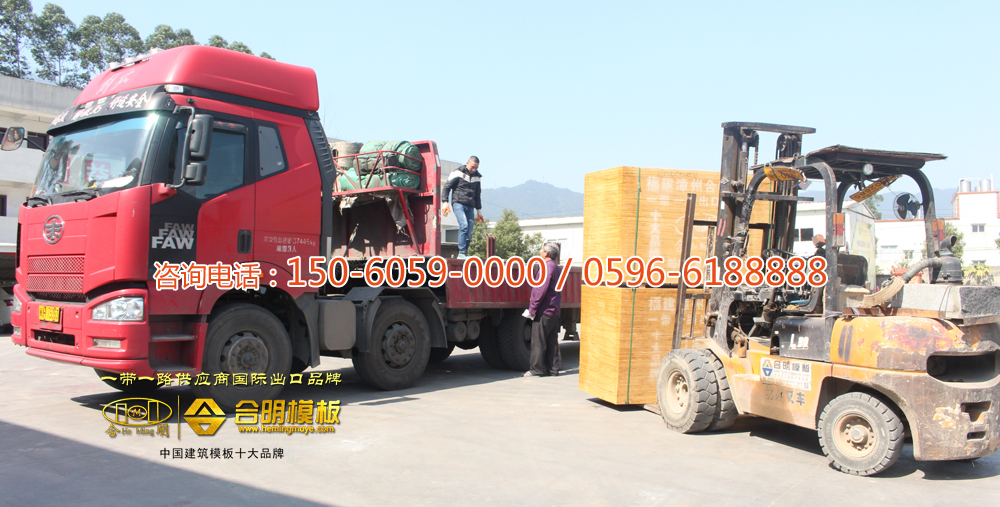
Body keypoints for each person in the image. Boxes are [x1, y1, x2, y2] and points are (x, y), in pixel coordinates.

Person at [524, 243, 562, 377]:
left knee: (538, 341)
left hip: (544, 310)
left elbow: (540, 290)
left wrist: (532, 308)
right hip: (554, 310)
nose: (541, 252)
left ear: (546, 253)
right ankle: (553, 369)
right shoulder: (556, 268)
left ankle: (537, 369)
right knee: (552, 341)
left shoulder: (546, 268)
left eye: (542, 250)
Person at [442, 156, 482, 258]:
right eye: (472, 167)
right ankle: (461, 252)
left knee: (470, 230)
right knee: (464, 225)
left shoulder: (477, 177)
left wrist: (479, 211)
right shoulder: (458, 173)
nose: (474, 169)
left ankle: (465, 253)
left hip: (470, 206)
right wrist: (445, 202)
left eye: (476, 168)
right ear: (467, 163)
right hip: (458, 203)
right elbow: (446, 187)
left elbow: (477, 195)